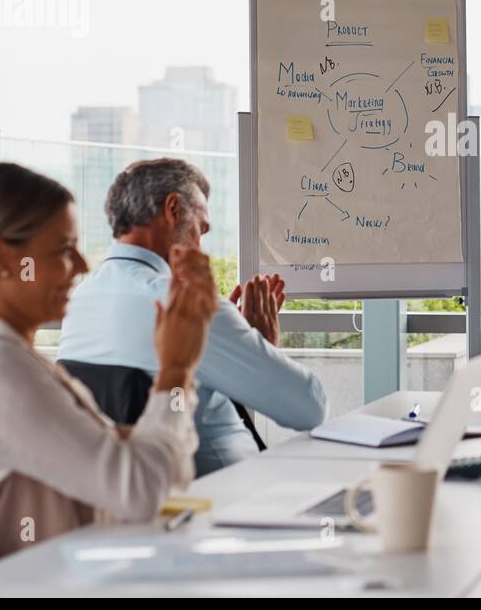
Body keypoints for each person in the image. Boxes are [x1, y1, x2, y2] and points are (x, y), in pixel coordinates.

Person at [0, 163, 217, 558]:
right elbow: (142, 491)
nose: (82, 265)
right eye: (62, 250)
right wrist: (176, 370)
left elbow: (162, 473)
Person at [57, 159, 326, 474]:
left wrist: (240, 343)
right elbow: (309, 409)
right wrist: (262, 345)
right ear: (172, 209)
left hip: (136, 497)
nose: (201, 244)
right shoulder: (190, 305)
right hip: (222, 498)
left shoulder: (78, 300)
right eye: (201, 228)